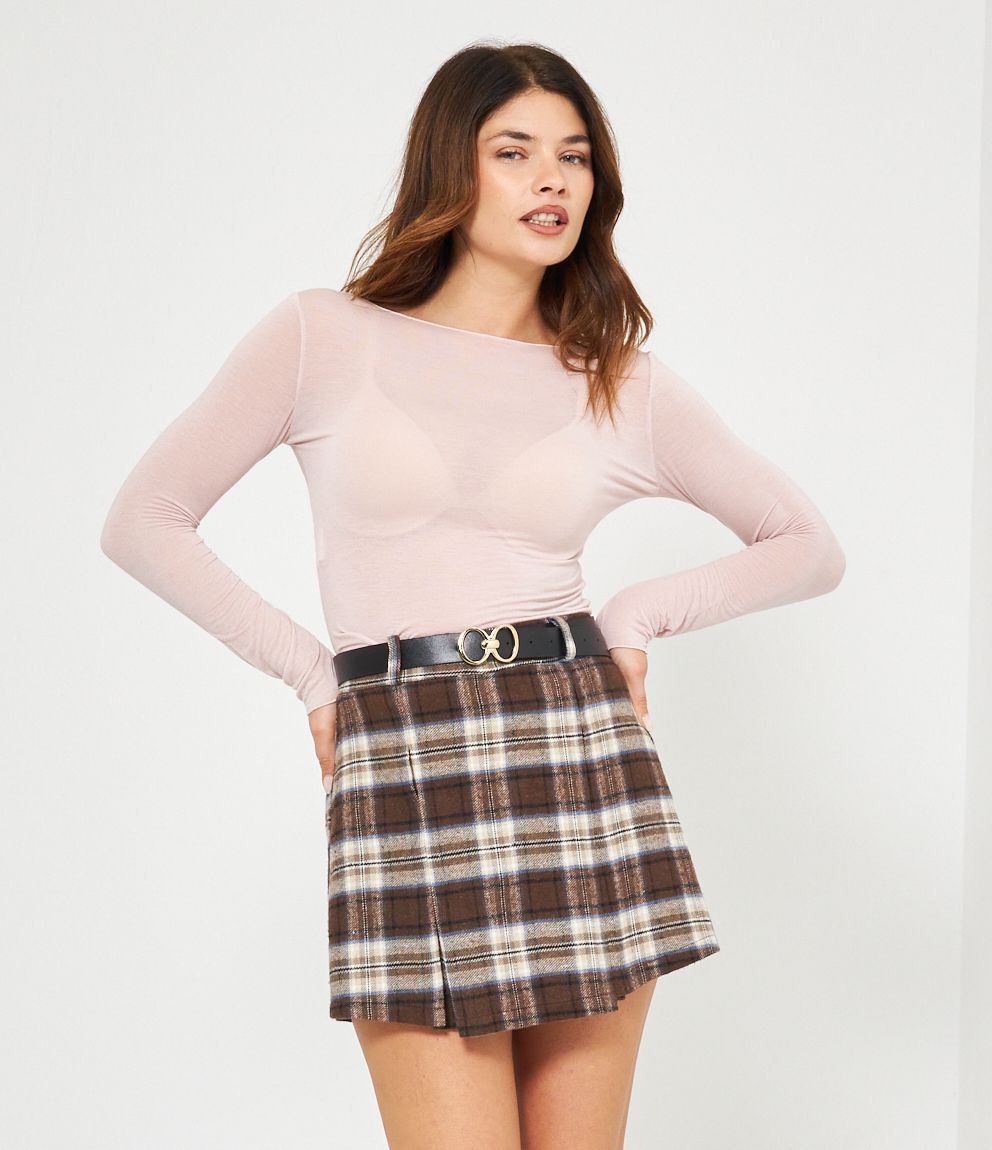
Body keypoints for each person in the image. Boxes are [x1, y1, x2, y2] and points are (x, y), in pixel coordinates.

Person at [100, 40, 845, 1150]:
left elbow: (806, 544)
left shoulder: (617, 379)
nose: (552, 180)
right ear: (450, 166)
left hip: (576, 751)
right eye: (515, 151)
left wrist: (634, 616)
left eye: (574, 157)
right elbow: (145, 518)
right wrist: (312, 675)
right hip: (400, 751)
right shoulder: (320, 334)